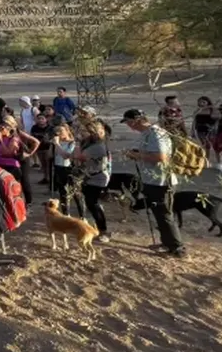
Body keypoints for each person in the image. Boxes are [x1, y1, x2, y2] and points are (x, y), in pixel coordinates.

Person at [122, 109, 185, 257]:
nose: (129, 126)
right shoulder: (147, 133)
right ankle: (166, 243)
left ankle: (177, 248)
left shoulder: (155, 133)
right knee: (158, 213)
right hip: (151, 179)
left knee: (164, 214)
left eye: (129, 122)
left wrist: (135, 155)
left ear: (136, 120)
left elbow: (161, 157)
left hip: (161, 181)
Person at [75, 120, 111, 242]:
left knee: (94, 205)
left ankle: (104, 231)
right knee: (91, 204)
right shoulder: (91, 143)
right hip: (90, 176)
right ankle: (99, 228)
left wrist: (77, 143)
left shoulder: (98, 146)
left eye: (85, 132)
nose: (82, 133)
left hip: (98, 178)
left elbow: (79, 156)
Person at [0, 115, 39, 205]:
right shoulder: (1, 134)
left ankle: (28, 202)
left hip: (20, 159)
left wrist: (30, 153)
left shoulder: (17, 134)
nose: (2, 127)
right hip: (9, 161)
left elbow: (36, 142)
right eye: (2, 124)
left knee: (24, 180)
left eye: (6, 124)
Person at [51, 124, 81, 217]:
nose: (59, 133)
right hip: (58, 167)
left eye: (61, 131)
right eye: (57, 131)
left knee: (74, 192)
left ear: (67, 131)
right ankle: (66, 214)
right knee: (62, 192)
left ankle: (81, 215)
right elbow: (50, 156)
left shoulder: (72, 143)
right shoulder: (58, 142)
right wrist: (52, 145)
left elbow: (66, 156)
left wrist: (57, 144)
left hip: (68, 168)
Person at [30, 113, 53, 184]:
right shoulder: (34, 127)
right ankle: (46, 178)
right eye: (39, 118)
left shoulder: (50, 128)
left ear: (46, 120)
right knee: (43, 164)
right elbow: (32, 137)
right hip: (39, 148)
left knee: (48, 164)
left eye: (42, 118)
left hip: (48, 148)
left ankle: (50, 179)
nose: (40, 120)